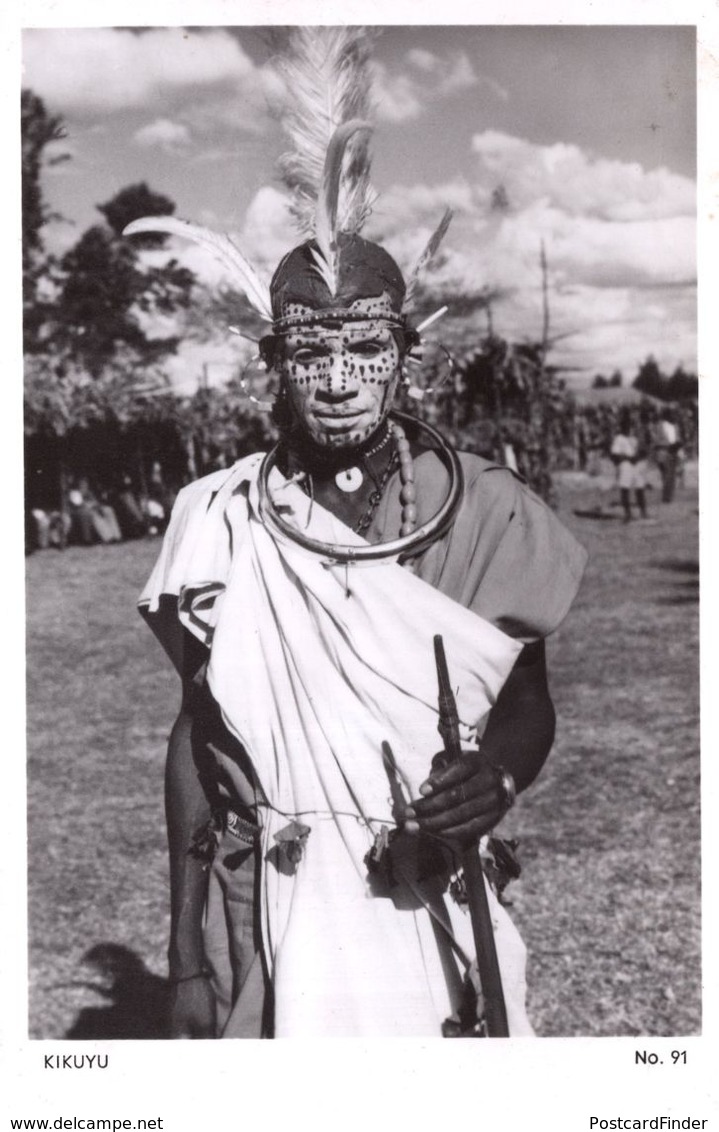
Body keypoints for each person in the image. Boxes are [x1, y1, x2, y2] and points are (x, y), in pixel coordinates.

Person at [131, 28, 587, 1039]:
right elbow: (198, 735)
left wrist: (498, 777)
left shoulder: (480, 508)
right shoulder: (222, 516)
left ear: (400, 357)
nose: (335, 378)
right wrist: (183, 954)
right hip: (270, 902)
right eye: (309, 351)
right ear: (277, 365)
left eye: (361, 349)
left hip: (427, 889)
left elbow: (528, 702)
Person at [610, 410, 649, 522]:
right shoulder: (619, 438)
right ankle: (628, 514)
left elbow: (642, 451)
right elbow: (615, 454)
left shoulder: (634, 438)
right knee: (625, 488)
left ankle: (643, 512)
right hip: (626, 464)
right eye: (626, 426)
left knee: (640, 488)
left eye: (630, 426)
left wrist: (639, 456)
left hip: (636, 464)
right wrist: (628, 458)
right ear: (622, 427)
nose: (628, 428)